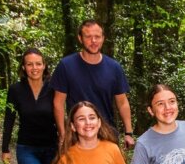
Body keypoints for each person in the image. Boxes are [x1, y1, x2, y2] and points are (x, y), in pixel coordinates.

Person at [50, 19, 137, 148]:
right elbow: (58, 103)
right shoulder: (66, 66)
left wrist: (128, 132)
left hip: (107, 133)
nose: (93, 41)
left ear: (103, 38)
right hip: (77, 134)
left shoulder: (114, 67)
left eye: (97, 37)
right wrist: (63, 134)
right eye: (88, 37)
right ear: (80, 38)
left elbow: (122, 102)